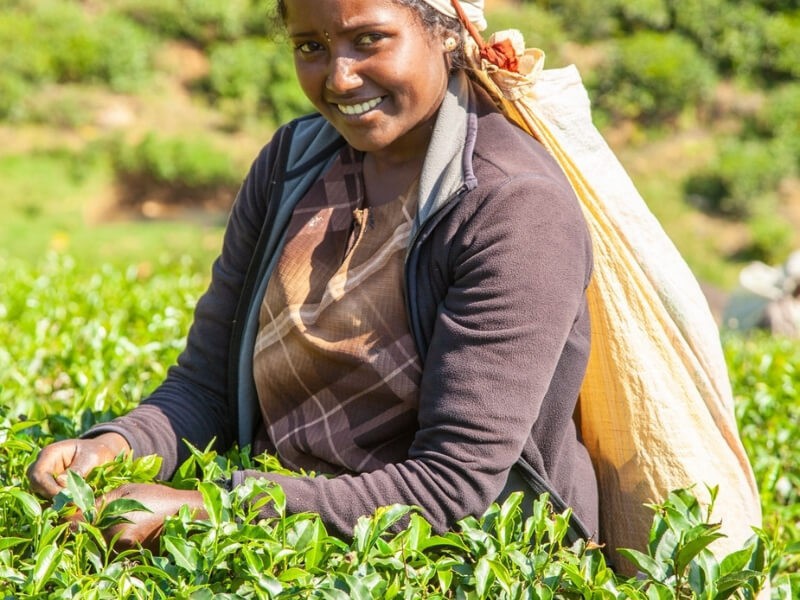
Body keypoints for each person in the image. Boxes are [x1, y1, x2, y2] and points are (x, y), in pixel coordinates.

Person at [28, 0, 598, 551]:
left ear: (447, 33)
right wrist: (116, 444)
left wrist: (210, 508)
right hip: (281, 532)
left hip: (457, 556)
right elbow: (208, 386)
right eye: (311, 46)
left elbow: (453, 488)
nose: (341, 77)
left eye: (369, 39)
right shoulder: (292, 164)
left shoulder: (512, 209)